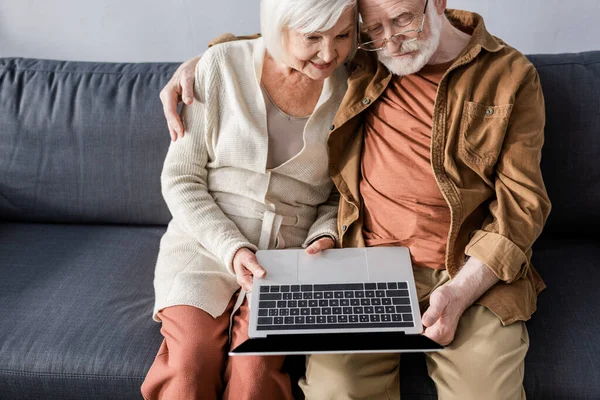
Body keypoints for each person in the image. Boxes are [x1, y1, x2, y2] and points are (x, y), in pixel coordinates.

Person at [161, 0, 551, 398]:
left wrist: (461, 291)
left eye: (402, 20)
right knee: (336, 389)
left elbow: (523, 204)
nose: (392, 42)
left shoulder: (511, 75)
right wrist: (203, 61)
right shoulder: (363, 54)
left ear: (438, 3)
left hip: (465, 268)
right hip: (365, 261)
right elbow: (292, 36)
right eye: (375, 28)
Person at [141, 0, 358, 399]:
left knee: (255, 370)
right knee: (190, 361)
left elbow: (340, 195)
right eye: (312, 38)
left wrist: (324, 236)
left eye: (343, 36)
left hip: (289, 256)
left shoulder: (354, 89)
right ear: (279, 28)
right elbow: (180, 179)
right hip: (203, 243)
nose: (330, 54)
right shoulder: (220, 66)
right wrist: (232, 247)